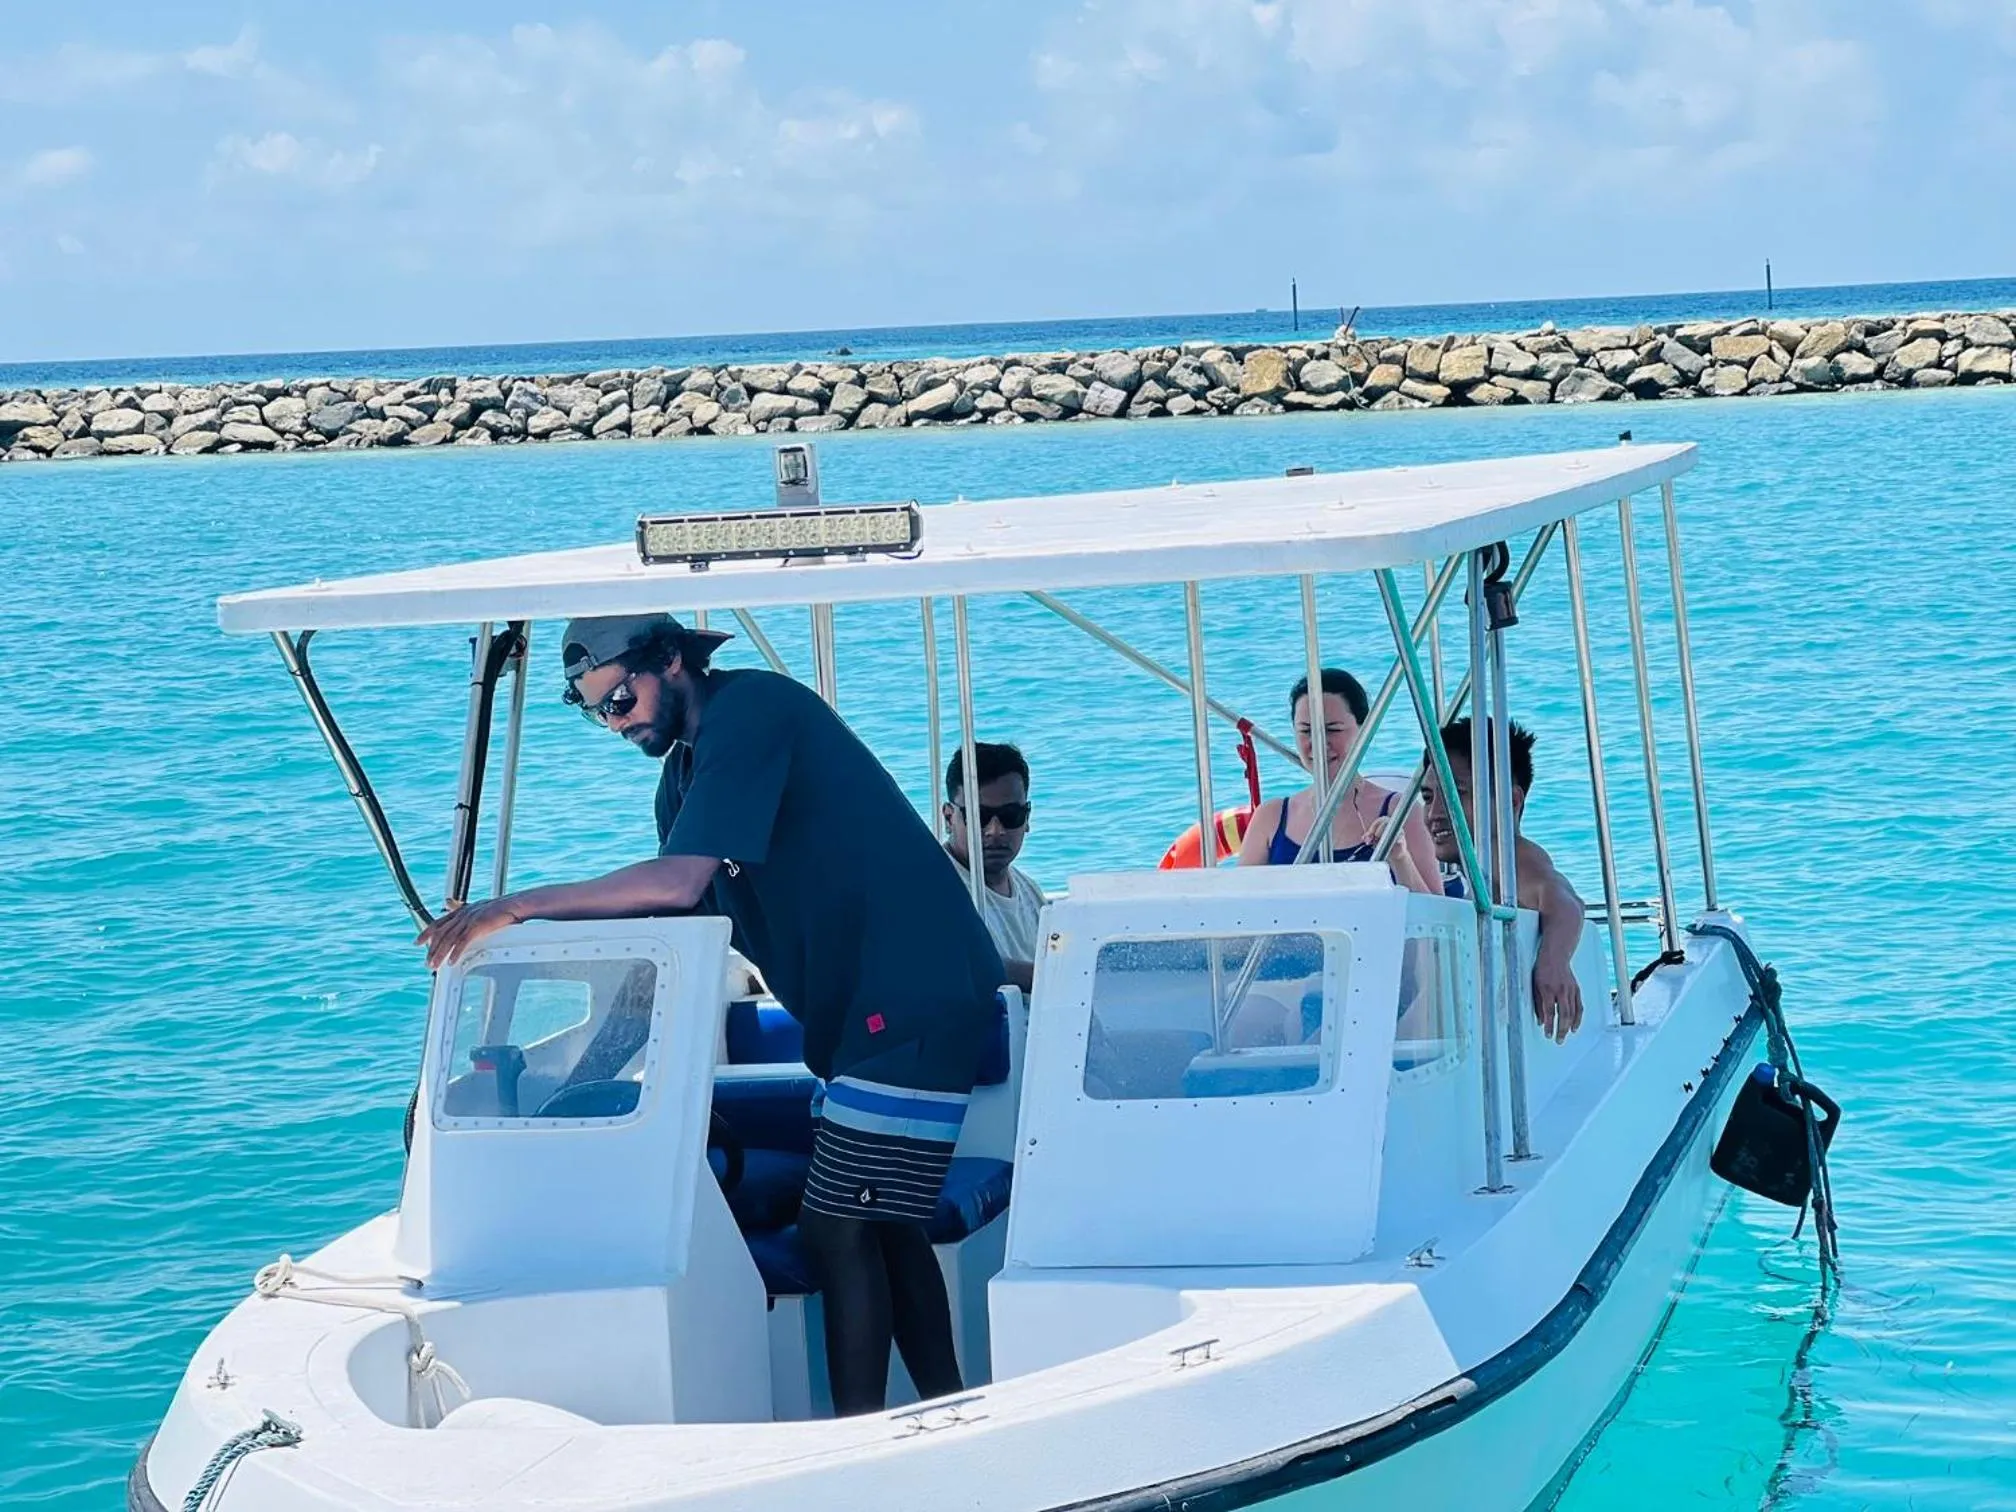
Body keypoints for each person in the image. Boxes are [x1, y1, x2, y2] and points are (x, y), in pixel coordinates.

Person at [417, 613, 1003, 1417]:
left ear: (671, 660)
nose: (615, 723)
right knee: (886, 1225)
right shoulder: (683, 780)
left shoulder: (753, 711)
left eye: (620, 700)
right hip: (863, 1023)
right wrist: (579, 1080)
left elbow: (676, 882)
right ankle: (950, 1413)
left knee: (835, 1226)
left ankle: (859, 1442)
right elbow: (673, 930)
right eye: (597, 713)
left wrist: (516, 906)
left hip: (913, 999)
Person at [1421, 717, 1586, 1042]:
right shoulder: (1481, 869)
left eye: (1456, 794)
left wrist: (1553, 961)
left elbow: (1563, 900)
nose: (1434, 813)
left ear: (1511, 801)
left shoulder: (1509, 857)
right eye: (1428, 797)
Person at [1236, 667, 1442, 896]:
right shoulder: (1270, 818)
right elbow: (1239, 904)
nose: (1319, 743)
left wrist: (1400, 857)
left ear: (1365, 730)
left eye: (1332, 729)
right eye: (1306, 731)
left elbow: (1436, 911)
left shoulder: (1402, 814)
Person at [942, 743, 1045, 995]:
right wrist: (1051, 975)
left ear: (1027, 818)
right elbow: (954, 964)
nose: (995, 831)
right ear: (949, 818)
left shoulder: (1030, 892)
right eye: (979, 816)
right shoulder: (933, 887)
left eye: (1011, 815)